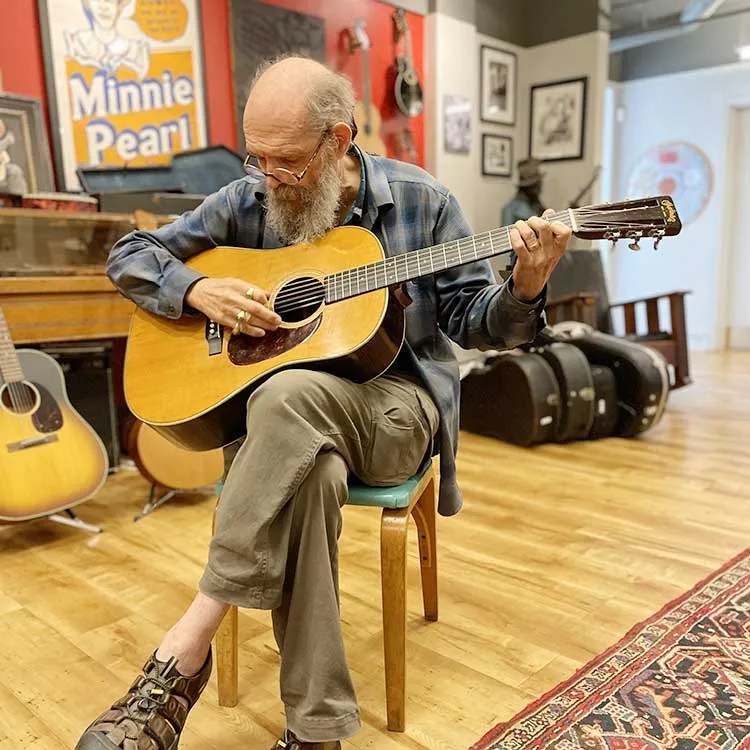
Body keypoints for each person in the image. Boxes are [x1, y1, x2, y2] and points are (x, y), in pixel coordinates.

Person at [75, 56, 571, 750]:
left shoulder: (424, 201)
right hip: (293, 425)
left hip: (397, 408)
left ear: (339, 141)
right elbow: (130, 253)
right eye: (257, 157)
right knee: (311, 472)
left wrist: (526, 284)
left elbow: (477, 321)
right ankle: (317, 729)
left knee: (286, 392)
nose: (267, 176)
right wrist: (194, 289)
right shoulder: (250, 197)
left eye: (287, 161)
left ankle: (183, 651)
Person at [65, 0, 150, 78]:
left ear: (120, 4)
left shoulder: (136, 52)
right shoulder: (76, 45)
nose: (103, 7)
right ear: (87, 3)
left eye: (110, 0)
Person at [501, 157, 546, 227]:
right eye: (538, 184)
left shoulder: (537, 204)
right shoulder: (509, 210)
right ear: (530, 187)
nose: (540, 187)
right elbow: (505, 236)